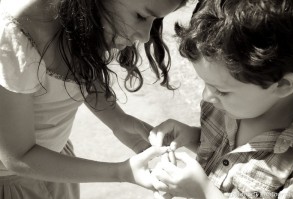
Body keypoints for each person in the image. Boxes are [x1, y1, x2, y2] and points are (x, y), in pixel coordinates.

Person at [0, 0, 189, 198]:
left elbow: (77, 68)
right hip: (14, 184)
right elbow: (19, 156)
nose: (144, 36)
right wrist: (121, 172)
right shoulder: (13, 37)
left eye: (156, 20)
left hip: (58, 164)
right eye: (141, 16)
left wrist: (118, 120)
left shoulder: (76, 15)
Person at [148, 0, 293, 198]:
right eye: (205, 83)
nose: (207, 96)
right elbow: (230, 155)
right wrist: (193, 137)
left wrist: (204, 193)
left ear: (282, 85)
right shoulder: (226, 107)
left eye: (221, 90)